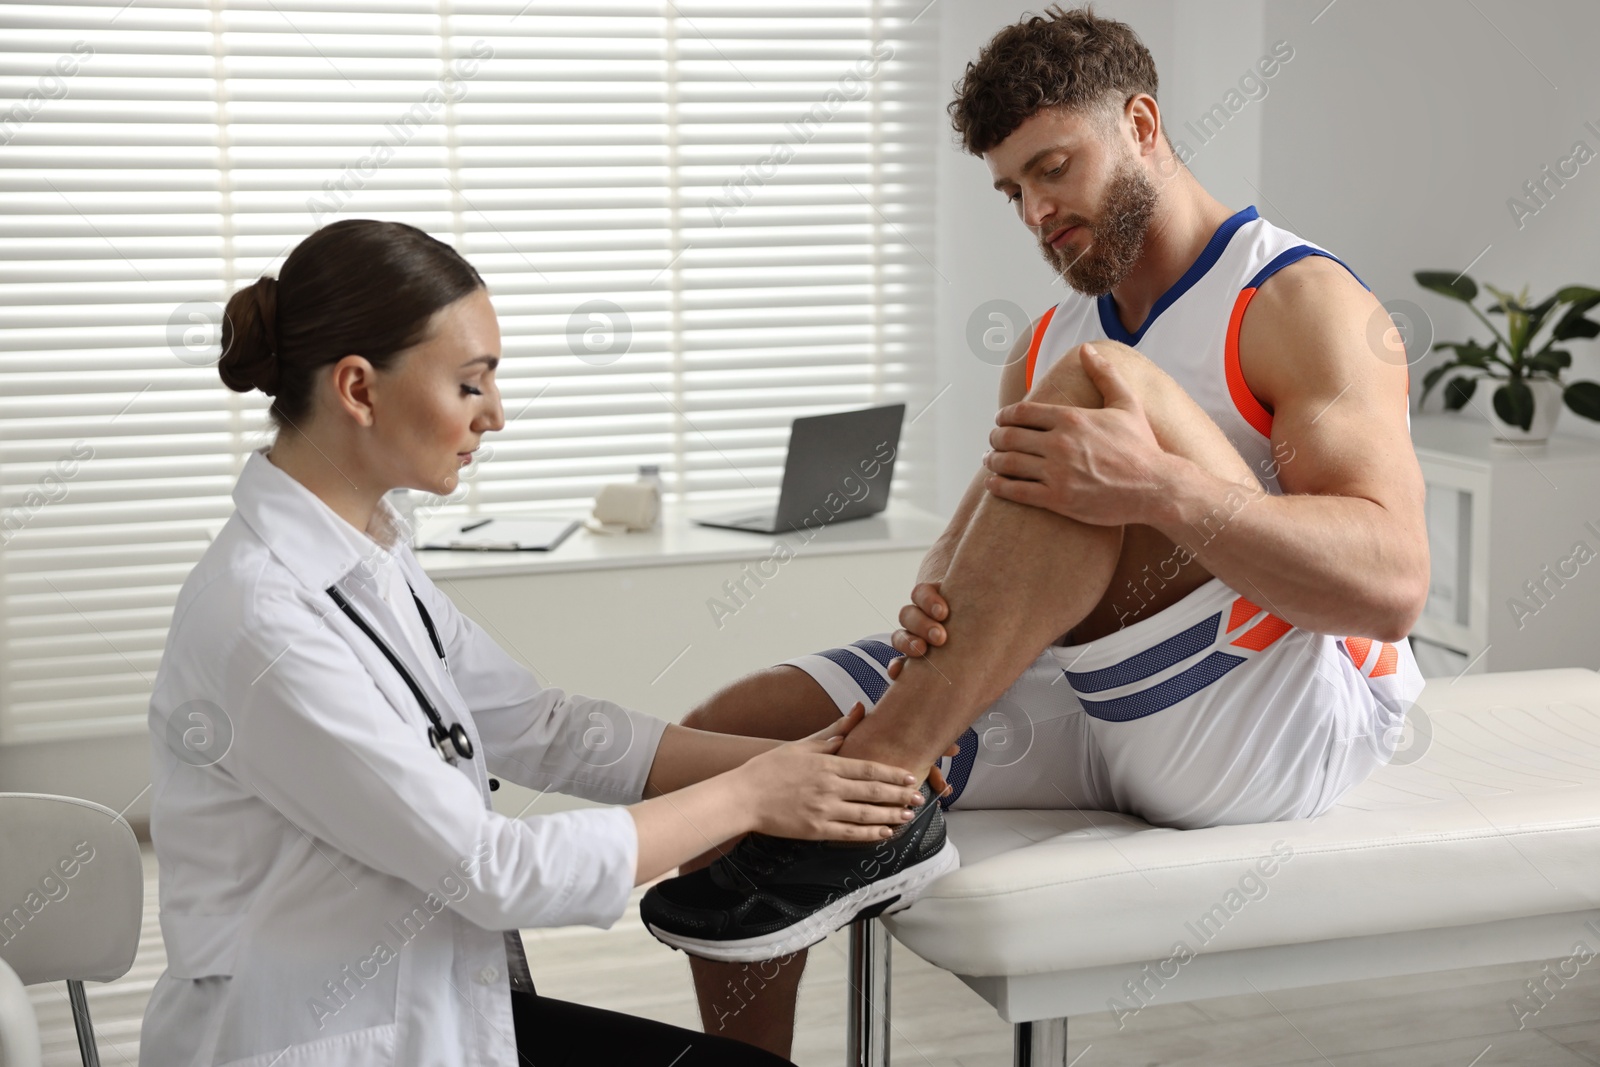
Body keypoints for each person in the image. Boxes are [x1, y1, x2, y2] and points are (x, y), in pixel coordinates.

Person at [639, 5, 1430, 1059]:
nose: (1035, 211)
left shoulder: (1297, 302)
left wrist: (1160, 488)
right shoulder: (1052, 335)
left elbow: (1391, 585)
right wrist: (934, 585)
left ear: (1142, 124)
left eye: (1054, 167)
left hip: (1276, 714)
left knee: (1107, 389)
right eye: (1012, 189)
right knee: (728, 739)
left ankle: (873, 798)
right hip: (1088, 691)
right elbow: (984, 532)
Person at [138, 218, 941, 1067]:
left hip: (430, 1011)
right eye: (470, 384)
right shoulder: (265, 618)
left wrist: (802, 762)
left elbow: (544, 725)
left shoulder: (369, 552)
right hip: (318, 1040)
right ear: (358, 390)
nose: (497, 415)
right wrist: (754, 795)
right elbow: (491, 869)